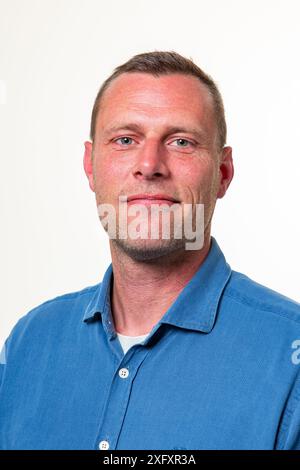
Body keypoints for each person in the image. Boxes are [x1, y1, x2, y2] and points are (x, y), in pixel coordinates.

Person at [1, 51, 300, 451]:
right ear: (91, 166)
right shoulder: (29, 342)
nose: (149, 165)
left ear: (223, 173)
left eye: (181, 142)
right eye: (125, 140)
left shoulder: (289, 356)